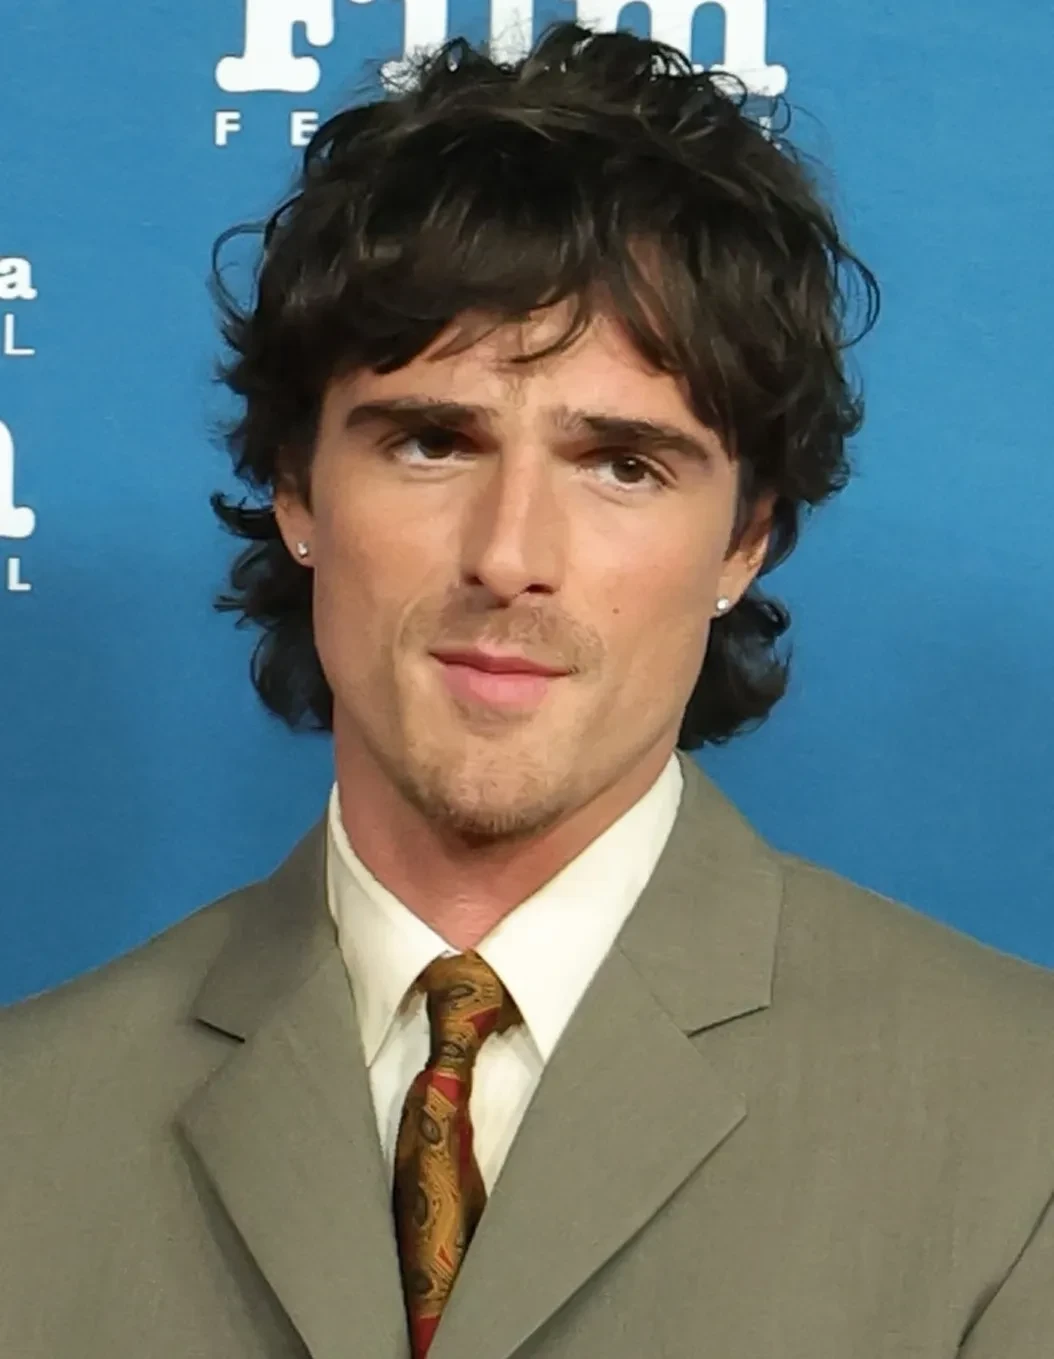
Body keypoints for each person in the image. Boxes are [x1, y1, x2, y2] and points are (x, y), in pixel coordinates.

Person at [3, 18, 1054, 1358]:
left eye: (621, 465)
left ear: (744, 539)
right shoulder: (28, 1126)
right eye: (432, 442)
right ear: (297, 490)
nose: (509, 556)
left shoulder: (1020, 1128)